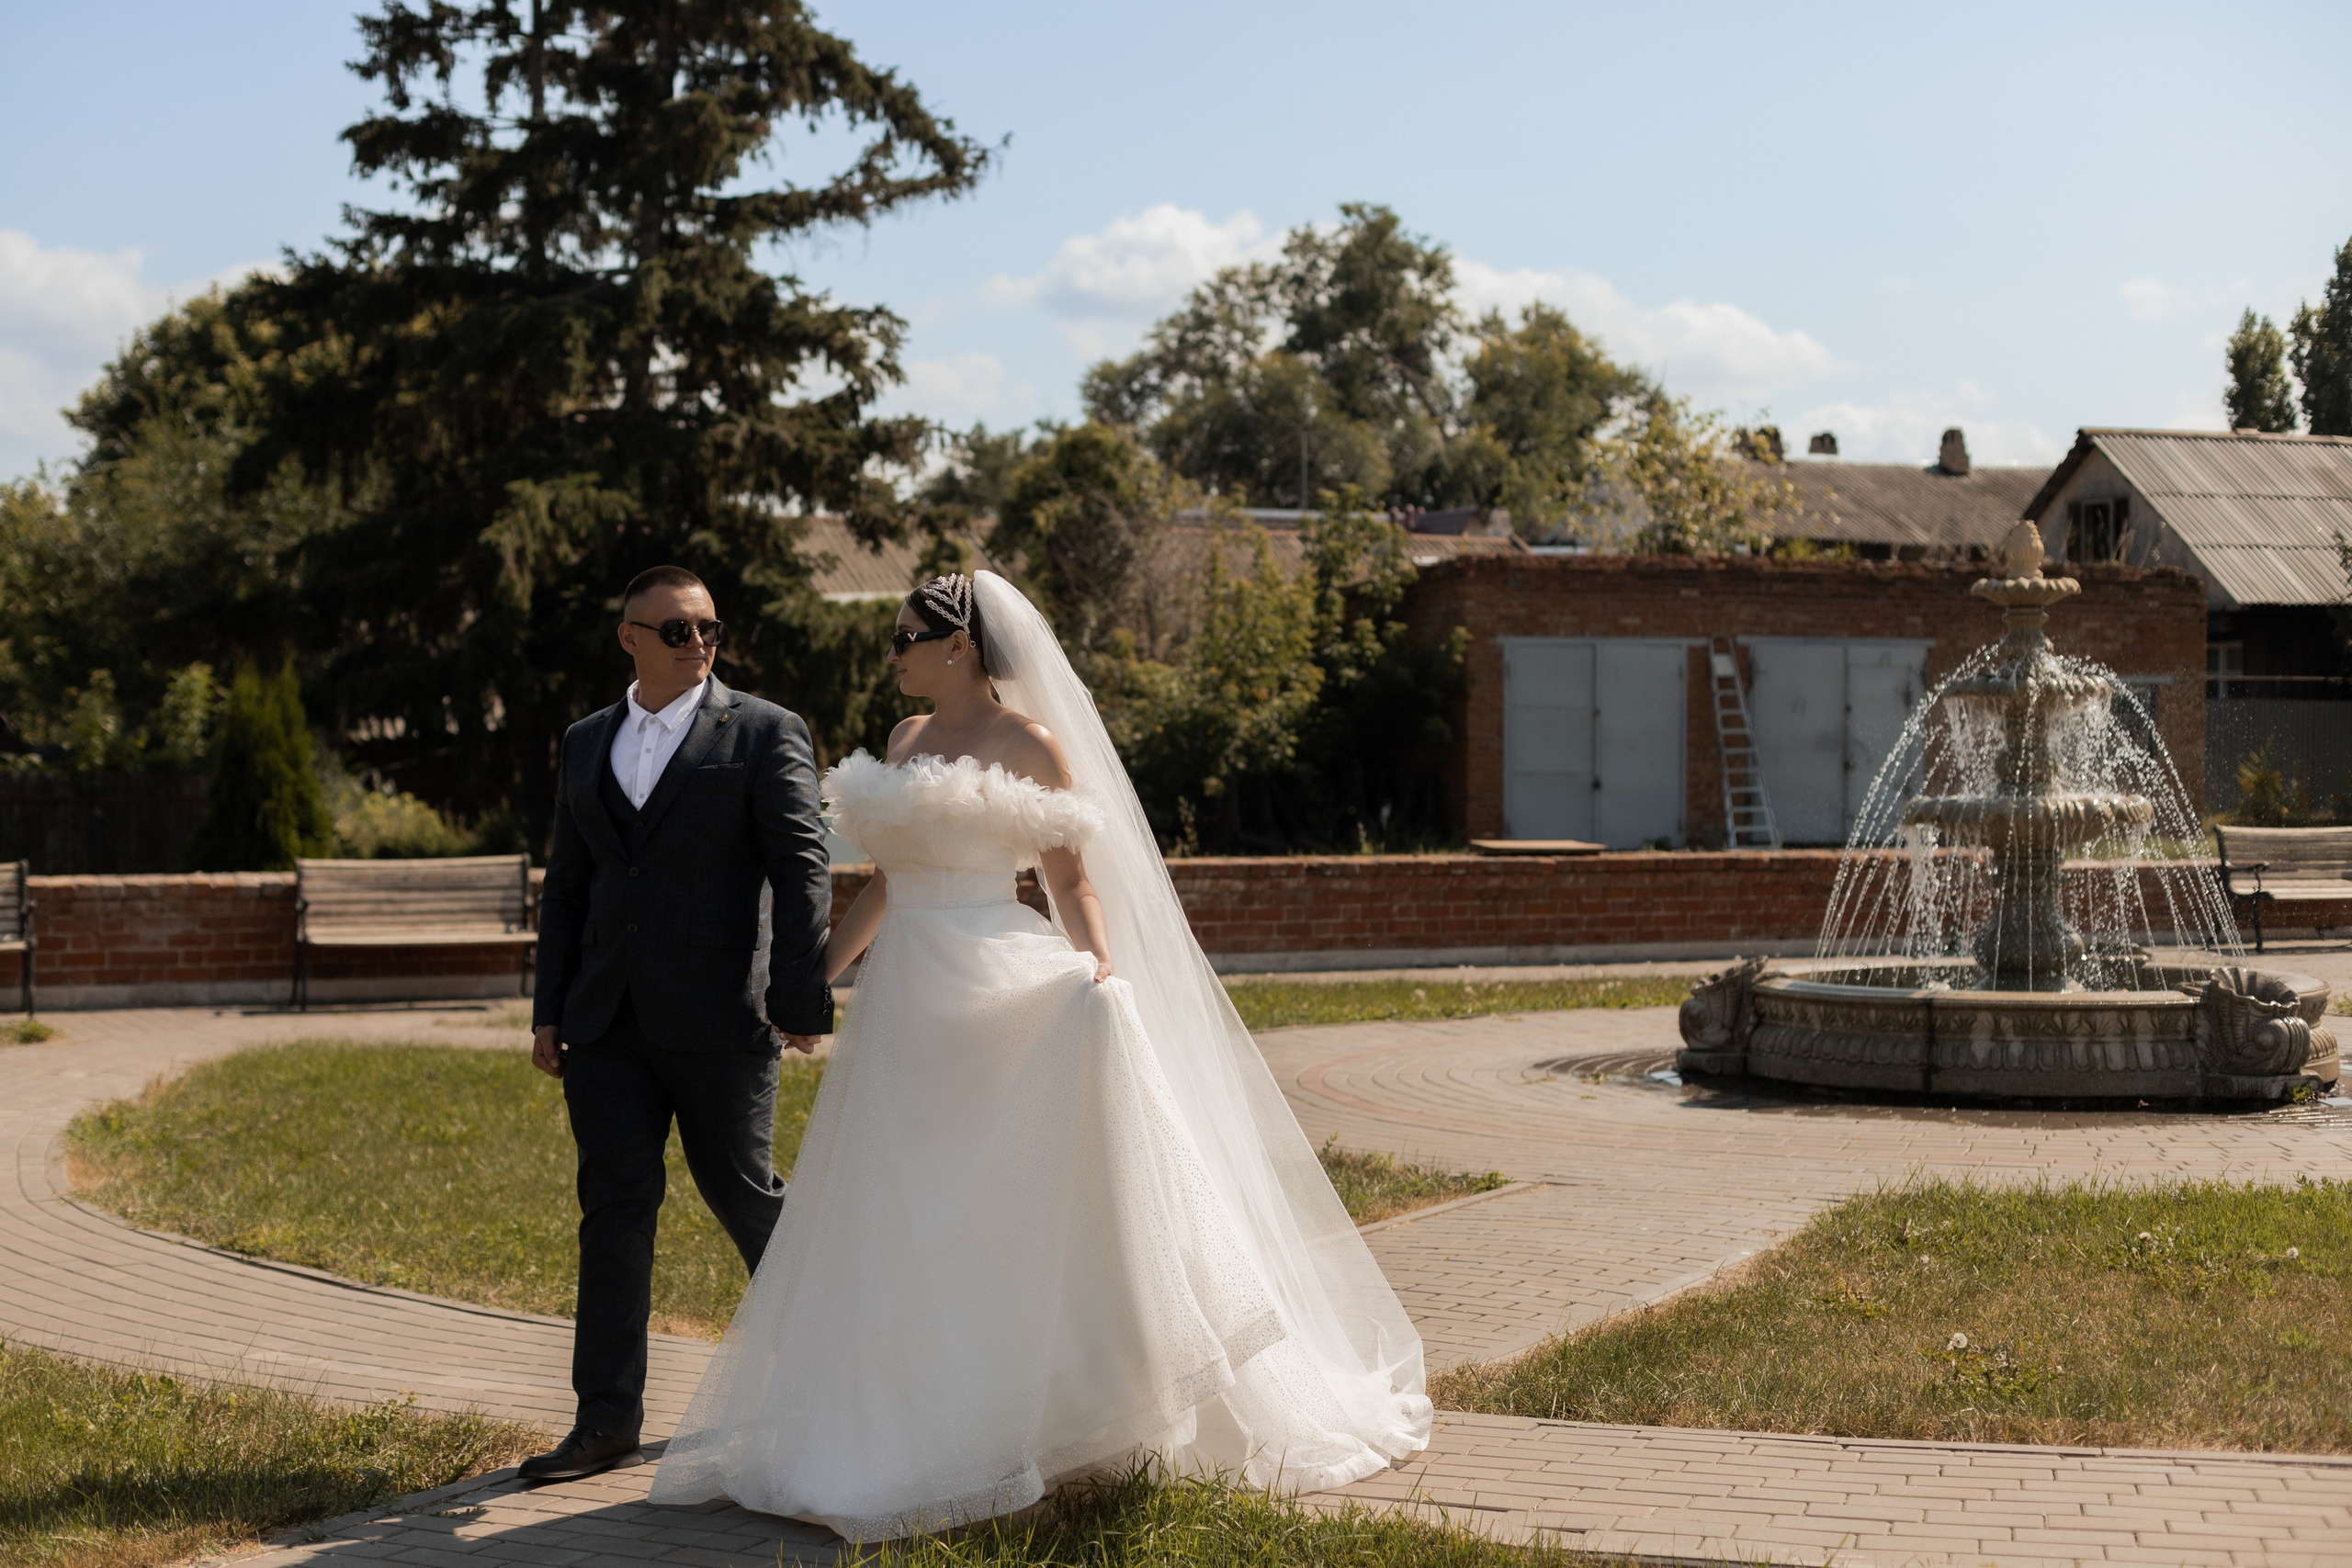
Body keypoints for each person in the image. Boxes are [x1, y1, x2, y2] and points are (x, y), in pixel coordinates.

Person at [649, 571, 1429, 1539]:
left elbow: (1070, 875)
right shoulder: (904, 741)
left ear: (960, 646)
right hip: (910, 1002)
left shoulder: (1032, 745)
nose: (890, 654)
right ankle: (904, 1421)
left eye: (904, 638)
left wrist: (1096, 962)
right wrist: (813, 975)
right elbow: (889, 883)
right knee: (905, 1203)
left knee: (1005, 1196)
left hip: (995, 978)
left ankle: (1055, 1406)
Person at [521, 564, 834, 1483]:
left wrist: (798, 997)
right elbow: (569, 889)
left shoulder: (766, 732)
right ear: (629, 637)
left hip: (718, 1022)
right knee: (613, 1214)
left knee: (746, 1199)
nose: (695, 643)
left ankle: (833, 1392)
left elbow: (801, 869)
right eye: (674, 630)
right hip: (606, 1025)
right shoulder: (585, 742)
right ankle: (605, 1421)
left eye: (707, 629)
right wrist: (549, 1010)